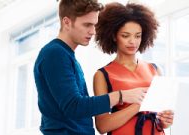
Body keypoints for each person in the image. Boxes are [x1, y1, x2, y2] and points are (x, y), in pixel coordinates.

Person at [33, 0, 146, 134]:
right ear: (67, 22)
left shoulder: (66, 55)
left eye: (94, 25)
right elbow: (73, 106)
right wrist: (121, 96)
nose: (92, 31)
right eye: (87, 25)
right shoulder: (55, 54)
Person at [93, 2, 174, 135]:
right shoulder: (103, 75)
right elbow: (102, 126)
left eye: (138, 35)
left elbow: (160, 117)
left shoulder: (154, 69)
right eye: (125, 36)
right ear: (114, 36)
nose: (133, 42)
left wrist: (165, 121)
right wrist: (139, 106)